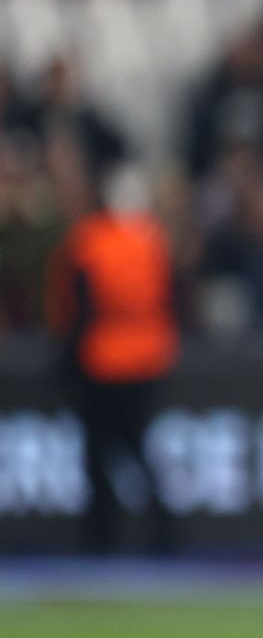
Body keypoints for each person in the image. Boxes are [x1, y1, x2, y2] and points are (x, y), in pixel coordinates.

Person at [45, 159, 179, 554]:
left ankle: (102, 533)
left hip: (102, 361)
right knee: (136, 448)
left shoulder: (90, 241)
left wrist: (68, 358)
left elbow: (80, 308)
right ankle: (162, 527)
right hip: (147, 360)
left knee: (99, 452)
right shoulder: (150, 240)